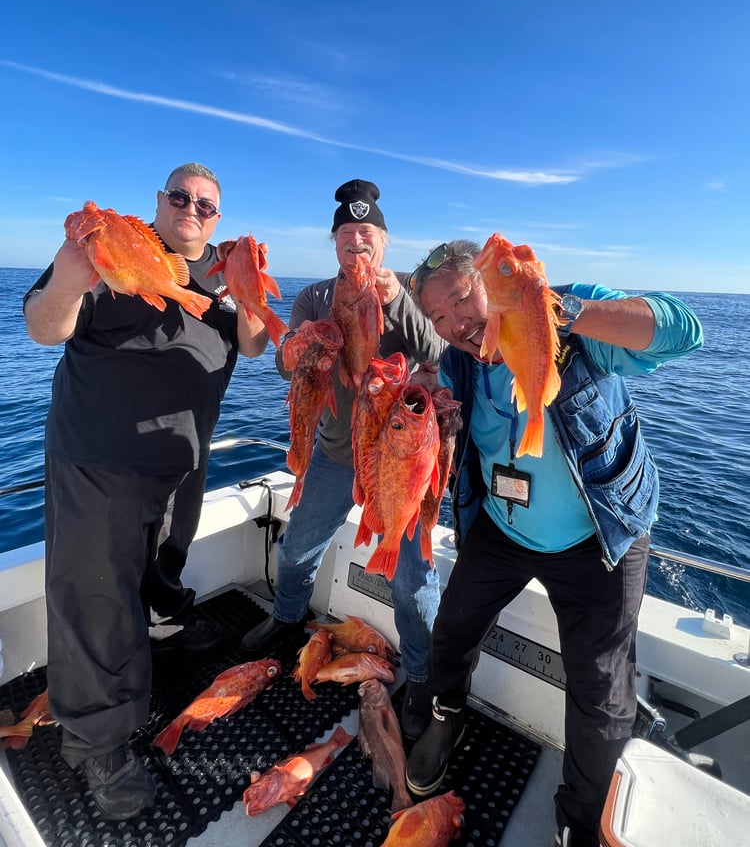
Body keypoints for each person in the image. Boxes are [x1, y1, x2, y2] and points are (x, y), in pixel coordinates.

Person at [404, 239, 703, 847]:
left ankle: (580, 816)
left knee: (600, 684)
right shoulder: (460, 358)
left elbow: (684, 330)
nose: (456, 324)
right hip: (503, 528)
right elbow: (433, 389)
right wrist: (421, 389)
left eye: (462, 299)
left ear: (490, 283)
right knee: (453, 630)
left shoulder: (568, 315)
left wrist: (560, 311)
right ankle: (447, 716)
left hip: (600, 532)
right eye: (438, 317)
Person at [23, 163, 269, 821]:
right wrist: (72, 279)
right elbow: (44, 326)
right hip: (99, 461)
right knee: (95, 600)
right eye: (181, 198)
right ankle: (96, 742)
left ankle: (159, 628)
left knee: (157, 575)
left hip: (178, 464)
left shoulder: (221, 274)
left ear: (218, 218)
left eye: (206, 205)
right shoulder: (111, 249)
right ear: (160, 203)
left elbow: (254, 344)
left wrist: (248, 290)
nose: (192, 209)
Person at [240, 179, 445, 740]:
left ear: (384, 241)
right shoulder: (313, 298)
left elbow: (441, 353)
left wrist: (396, 299)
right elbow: (290, 371)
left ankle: (424, 677)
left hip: (398, 461)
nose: (358, 242)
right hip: (333, 453)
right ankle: (285, 620)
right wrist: (298, 344)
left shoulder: (411, 294)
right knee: (299, 543)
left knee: (412, 576)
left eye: (368, 233)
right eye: (348, 234)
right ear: (334, 243)